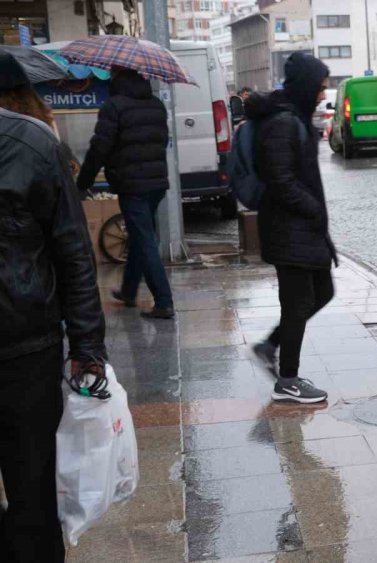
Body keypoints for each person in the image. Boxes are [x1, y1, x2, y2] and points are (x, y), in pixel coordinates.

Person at [0, 53, 108, 563]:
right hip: (26, 343)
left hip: (27, 344)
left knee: (31, 489)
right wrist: (86, 346)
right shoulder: (38, 142)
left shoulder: (34, 145)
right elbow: (73, 254)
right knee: (31, 487)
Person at [245, 53, 334, 404]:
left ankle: (270, 345)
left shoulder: (293, 117)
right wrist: (311, 207)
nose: (322, 95)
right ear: (306, 87)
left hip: (302, 228)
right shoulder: (282, 122)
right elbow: (279, 179)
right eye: (319, 88)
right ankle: (288, 380)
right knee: (297, 303)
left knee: (322, 291)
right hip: (289, 228)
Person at [77, 68, 175, 319]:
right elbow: (162, 141)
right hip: (156, 183)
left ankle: (163, 301)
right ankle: (130, 290)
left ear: (117, 77)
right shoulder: (155, 104)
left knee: (144, 239)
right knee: (139, 235)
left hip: (132, 184)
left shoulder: (115, 106)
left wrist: (83, 180)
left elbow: (100, 146)